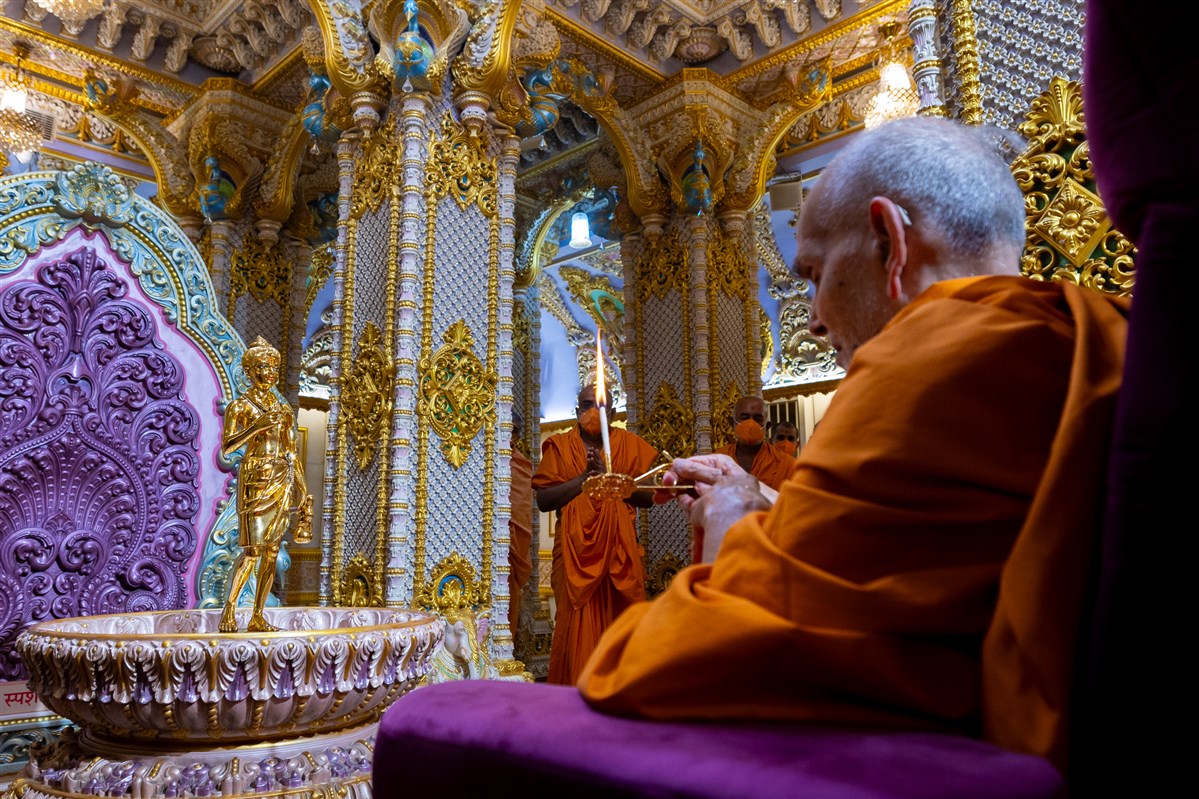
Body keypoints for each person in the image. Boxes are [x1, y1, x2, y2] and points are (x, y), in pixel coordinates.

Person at [578, 116, 1129, 775]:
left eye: (814, 273)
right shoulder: (1106, 333)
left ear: (889, 241)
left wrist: (729, 517)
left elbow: (679, 664)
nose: (812, 319)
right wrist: (766, 504)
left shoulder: (927, 361)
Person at [533, 385, 658, 685]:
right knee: (573, 624)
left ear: (612, 414)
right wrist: (583, 480)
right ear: (577, 411)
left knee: (620, 619)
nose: (593, 412)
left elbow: (649, 498)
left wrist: (611, 479)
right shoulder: (560, 446)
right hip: (573, 552)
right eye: (587, 405)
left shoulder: (628, 444)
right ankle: (574, 690)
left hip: (618, 553)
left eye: (600, 406)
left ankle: (619, 689)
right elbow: (544, 500)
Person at [220, 337, 314, 633]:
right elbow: (227, 446)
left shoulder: (283, 409)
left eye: (273, 367)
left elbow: (291, 451)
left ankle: (258, 615)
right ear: (250, 371)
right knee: (252, 551)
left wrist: (303, 488)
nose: (270, 373)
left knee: (272, 551)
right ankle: (230, 608)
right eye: (263, 367)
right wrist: (256, 427)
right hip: (255, 478)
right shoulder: (240, 406)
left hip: (280, 477)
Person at [714, 396, 793, 490]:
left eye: (758, 419)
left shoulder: (785, 463)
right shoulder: (719, 458)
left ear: (767, 427)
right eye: (744, 418)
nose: (751, 423)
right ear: (732, 423)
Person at [507, 411, 534, 636]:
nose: (507, 434)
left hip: (513, 547)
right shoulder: (480, 458)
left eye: (513, 430)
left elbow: (522, 511)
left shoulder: (522, 465)